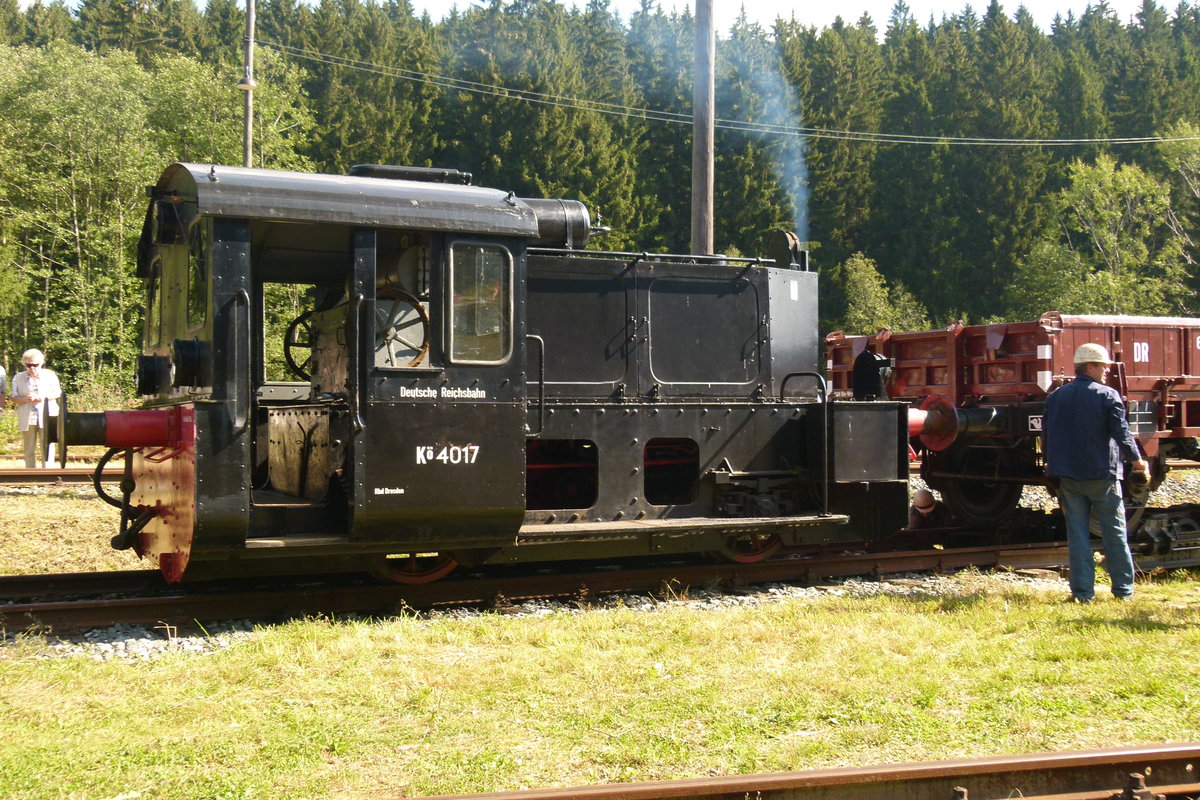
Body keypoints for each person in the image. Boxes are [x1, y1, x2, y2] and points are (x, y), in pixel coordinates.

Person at [1043, 343, 1148, 603]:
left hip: (1069, 478)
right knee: (1115, 534)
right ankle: (1123, 591)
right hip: (1102, 476)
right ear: (1090, 367)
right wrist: (1138, 462)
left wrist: (1052, 468)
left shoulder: (1056, 397)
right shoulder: (1107, 395)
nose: (1106, 371)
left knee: (1077, 537)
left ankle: (1082, 594)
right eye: (1103, 366)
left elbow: (1047, 436)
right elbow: (1122, 433)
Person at [10, 349, 61, 469]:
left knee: (47, 446)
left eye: (35, 365)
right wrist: (26, 399)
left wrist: (43, 397)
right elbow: (13, 397)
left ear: (41, 363)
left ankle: (48, 472)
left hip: (48, 414)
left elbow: (57, 393)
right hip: (27, 416)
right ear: (24, 364)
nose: (32, 368)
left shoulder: (50, 375)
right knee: (29, 447)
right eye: (28, 365)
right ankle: (30, 472)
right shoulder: (18, 377)